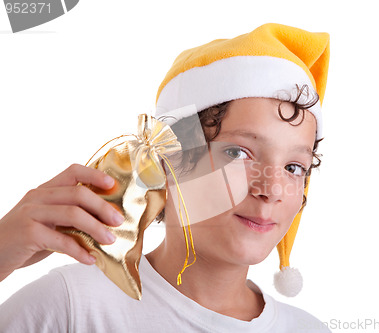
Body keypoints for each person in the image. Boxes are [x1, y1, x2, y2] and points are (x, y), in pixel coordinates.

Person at [0, 23, 330, 332]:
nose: (271, 189)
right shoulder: (73, 306)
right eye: (238, 153)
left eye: (293, 167)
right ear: (168, 161)